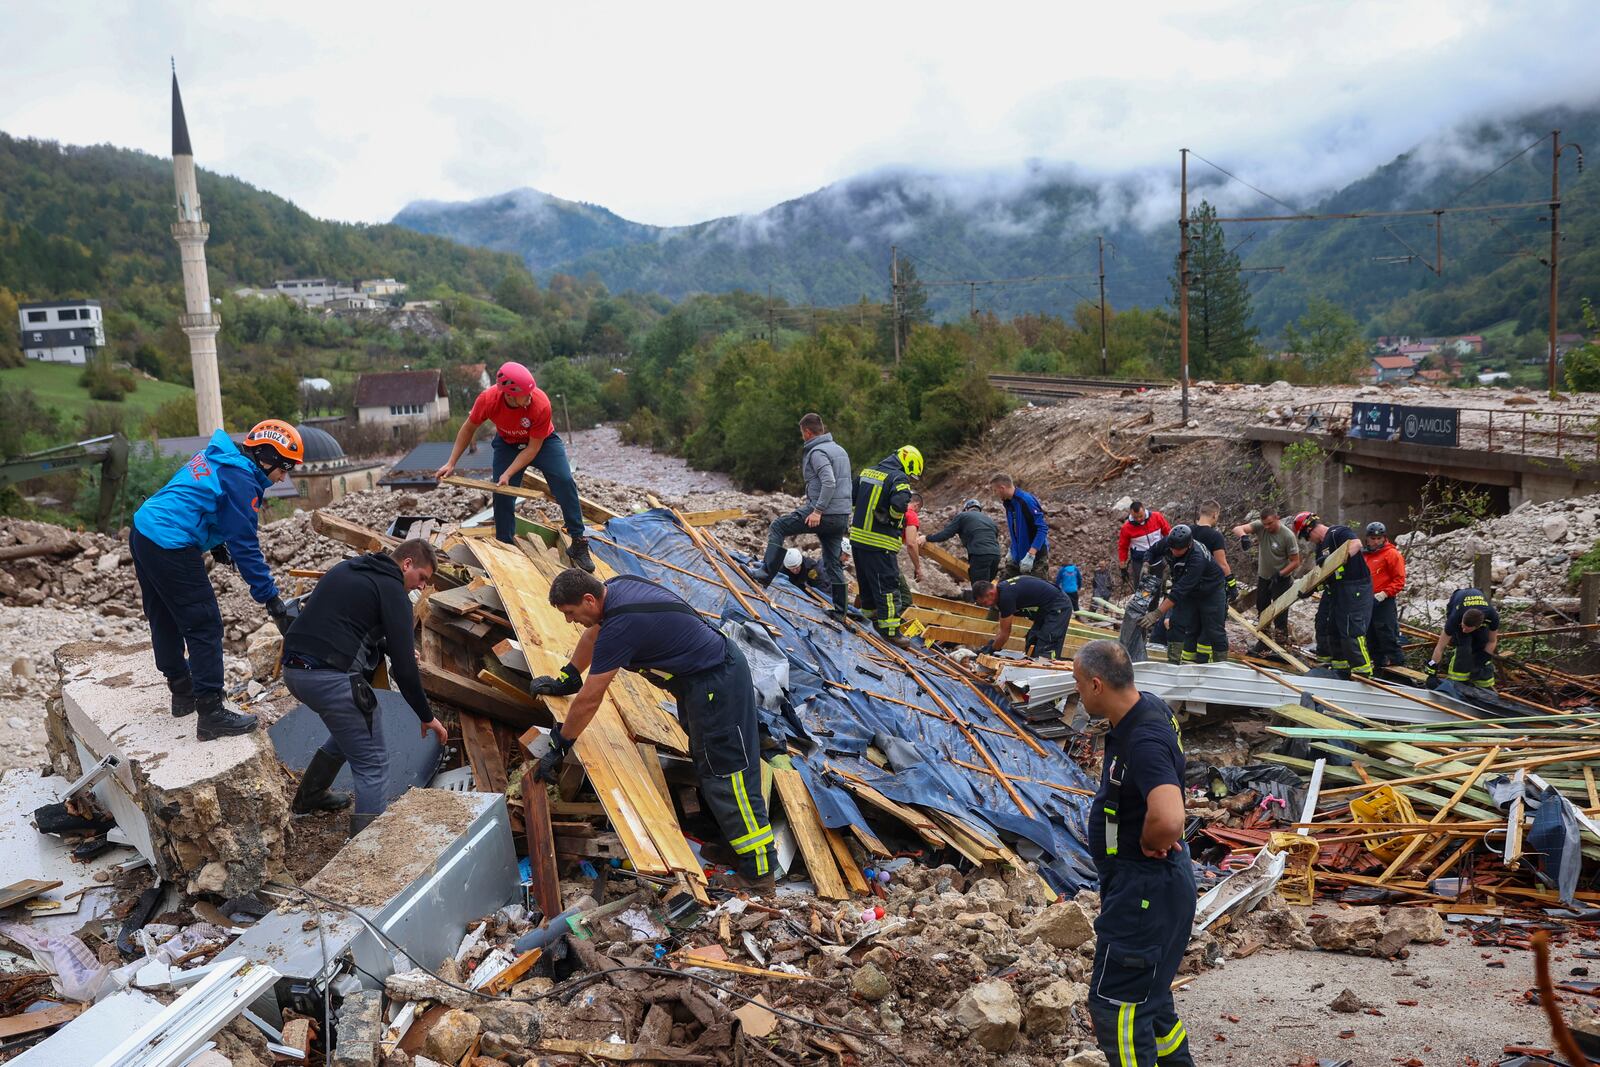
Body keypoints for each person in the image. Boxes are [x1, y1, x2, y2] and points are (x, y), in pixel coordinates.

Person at [529, 570, 774, 890]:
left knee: (728, 773)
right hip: (701, 682)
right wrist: (569, 676)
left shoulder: (622, 624)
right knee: (708, 763)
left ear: (589, 600)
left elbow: (591, 698)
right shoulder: (614, 590)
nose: (570, 621)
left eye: (571, 614)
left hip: (717, 683)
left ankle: (759, 872)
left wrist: (559, 745)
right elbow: (593, 634)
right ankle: (737, 848)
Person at [131, 420, 302, 741]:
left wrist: (215, 542)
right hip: (170, 543)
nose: (285, 476)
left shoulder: (219, 458)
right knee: (204, 623)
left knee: (164, 616)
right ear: (266, 458)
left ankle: (182, 692)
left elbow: (196, 501)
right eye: (285, 467)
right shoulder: (241, 481)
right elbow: (247, 545)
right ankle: (211, 713)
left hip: (144, 529)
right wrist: (273, 601)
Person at [1073, 640, 1195, 1067]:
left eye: (1078, 685)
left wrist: (1150, 840)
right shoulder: (1148, 709)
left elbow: (1168, 817)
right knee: (1152, 1001)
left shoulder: (1143, 737)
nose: (1078, 695)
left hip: (1144, 891)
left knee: (1117, 1008)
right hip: (1156, 888)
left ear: (1096, 683)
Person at [282, 539, 449, 837]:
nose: (421, 587)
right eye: (422, 578)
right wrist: (426, 716)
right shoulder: (393, 591)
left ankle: (311, 796)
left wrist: (389, 644)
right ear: (407, 563)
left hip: (294, 671)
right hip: (329, 677)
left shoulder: (348, 568)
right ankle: (366, 849)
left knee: (358, 726)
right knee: (373, 763)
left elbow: (343, 623)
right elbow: (405, 670)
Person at [435, 361, 594, 572]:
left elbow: (532, 449)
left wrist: (508, 472)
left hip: (542, 443)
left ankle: (578, 541)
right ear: (509, 394)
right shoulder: (488, 399)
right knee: (501, 494)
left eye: (531, 393)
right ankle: (505, 545)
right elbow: (468, 429)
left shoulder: (541, 403)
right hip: (507, 443)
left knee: (564, 481)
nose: (530, 397)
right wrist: (451, 462)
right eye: (525, 395)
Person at [755, 413, 851, 611]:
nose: (802, 437)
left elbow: (829, 481)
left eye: (802, 434)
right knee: (833, 563)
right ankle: (841, 611)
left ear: (807, 432)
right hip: (841, 517)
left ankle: (764, 574)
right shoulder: (840, 450)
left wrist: (817, 511)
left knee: (779, 526)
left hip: (824, 513)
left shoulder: (817, 452)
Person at [850, 446, 923, 644]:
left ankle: (870, 616)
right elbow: (900, 505)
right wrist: (891, 518)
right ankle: (890, 630)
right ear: (909, 464)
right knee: (888, 585)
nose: (909, 476)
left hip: (857, 539)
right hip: (880, 542)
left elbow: (852, 498)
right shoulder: (898, 478)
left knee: (866, 583)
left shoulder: (867, 472)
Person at [1294, 512, 1374, 679]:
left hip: (1355, 587)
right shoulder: (1320, 548)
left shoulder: (1338, 532)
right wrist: (1311, 589)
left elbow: (1356, 544)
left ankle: (1363, 673)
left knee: (1351, 630)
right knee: (1334, 629)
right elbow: (1327, 576)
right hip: (1338, 590)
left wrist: (1332, 561)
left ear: (1310, 529)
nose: (1309, 541)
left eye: (1306, 537)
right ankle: (1341, 670)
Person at [1138, 524, 1228, 664]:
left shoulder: (1197, 559)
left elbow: (1178, 593)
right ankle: (1173, 663)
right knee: (1176, 623)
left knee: (1215, 630)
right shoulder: (1170, 542)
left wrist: (1156, 613)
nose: (1174, 552)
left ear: (1188, 545)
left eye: (1178, 550)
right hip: (1190, 591)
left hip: (1211, 591)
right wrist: (1146, 563)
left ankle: (1221, 666)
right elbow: (1152, 550)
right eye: (1172, 548)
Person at [1230, 507, 1301, 651]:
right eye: (1265, 524)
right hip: (1264, 577)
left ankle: (1281, 643)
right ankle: (1264, 641)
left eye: (1270, 523)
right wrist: (1243, 536)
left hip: (1281, 579)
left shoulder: (1287, 536)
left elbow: (1295, 561)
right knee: (1262, 609)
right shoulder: (1261, 527)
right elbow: (1238, 528)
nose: (1267, 527)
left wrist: (1281, 573)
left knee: (1280, 612)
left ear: (1277, 518)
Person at [973, 576, 1074, 659]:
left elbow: (1005, 634)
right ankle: (1032, 668)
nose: (987, 606)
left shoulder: (1006, 596)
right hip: (1046, 607)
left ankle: (1045, 671)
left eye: (985, 603)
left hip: (1059, 605)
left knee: (1047, 644)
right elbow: (1002, 628)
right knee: (1032, 640)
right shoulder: (1001, 591)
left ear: (990, 594)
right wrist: (990, 645)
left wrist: (991, 651)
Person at [1429, 587, 1499, 690]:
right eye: (1463, 626)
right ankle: (1457, 682)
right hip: (1457, 601)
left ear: (1478, 626)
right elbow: (1440, 646)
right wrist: (1432, 670)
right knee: (1464, 649)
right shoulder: (1455, 617)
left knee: (1481, 645)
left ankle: (1483, 685)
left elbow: (1492, 641)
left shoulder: (1492, 616)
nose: (1463, 630)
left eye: (1467, 629)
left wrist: (1482, 659)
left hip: (1479, 615)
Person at [925, 498, 1002, 586]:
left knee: (980, 589)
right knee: (987, 587)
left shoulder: (963, 516)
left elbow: (945, 534)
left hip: (980, 554)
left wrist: (927, 538)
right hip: (996, 556)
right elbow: (995, 536)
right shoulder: (990, 521)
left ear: (966, 509)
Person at [1363, 522, 1407, 668]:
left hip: (1384, 602)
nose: (1376, 542)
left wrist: (1383, 594)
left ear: (1384, 538)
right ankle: (1379, 668)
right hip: (1368, 602)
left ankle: (1400, 669)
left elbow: (1399, 580)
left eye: (1379, 538)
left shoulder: (1392, 554)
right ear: (1367, 539)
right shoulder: (1365, 555)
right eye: (1373, 538)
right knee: (1371, 638)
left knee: (1388, 637)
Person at [990, 473, 1049, 579]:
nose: (995, 494)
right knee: (1003, 588)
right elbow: (1017, 530)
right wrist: (1012, 549)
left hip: (1035, 558)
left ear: (1002, 488)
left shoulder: (1026, 501)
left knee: (1035, 592)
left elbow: (1042, 528)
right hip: (1018, 556)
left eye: (995, 490)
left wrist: (1031, 554)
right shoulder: (1009, 504)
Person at [1192, 500, 1237, 606]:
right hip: (1208, 585)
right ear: (1214, 514)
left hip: (1188, 583)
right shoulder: (1215, 536)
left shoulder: (1187, 531)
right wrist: (1232, 585)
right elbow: (1222, 564)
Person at [1117, 501, 1171, 589]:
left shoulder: (1156, 517)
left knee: (1162, 585)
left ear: (1144, 510)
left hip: (1159, 557)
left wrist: (1170, 551)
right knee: (1141, 588)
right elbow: (1123, 547)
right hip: (1140, 561)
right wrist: (1122, 567)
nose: (1138, 519)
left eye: (1140, 516)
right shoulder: (1126, 528)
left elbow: (1168, 533)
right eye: (1135, 517)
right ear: (1131, 514)